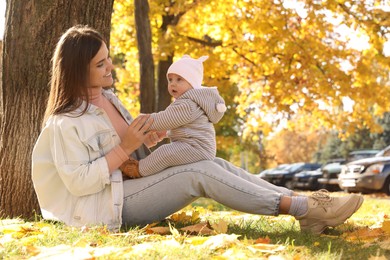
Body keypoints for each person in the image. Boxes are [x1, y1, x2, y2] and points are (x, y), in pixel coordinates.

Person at [32, 25, 364, 235]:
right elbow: (78, 182)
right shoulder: (66, 121)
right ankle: (305, 211)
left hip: (131, 184)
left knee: (214, 164)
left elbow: (132, 145)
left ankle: (304, 202)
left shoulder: (111, 99)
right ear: (78, 70)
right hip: (107, 204)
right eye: (101, 64)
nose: (110, 67)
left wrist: (149, 138)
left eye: (108, 59)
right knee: (198, 173)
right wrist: (126, 146)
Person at [122, 55, 227, 177]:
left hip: (196, 147)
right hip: (195, 147)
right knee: (168, 152)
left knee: (165, 152)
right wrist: (165, 132)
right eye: (170, 80)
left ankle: (138, 170)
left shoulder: (188, 104)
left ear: (192, 83)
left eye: (179, 79)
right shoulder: (191, 102)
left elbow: (165, 120)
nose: (173, 84)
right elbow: (180, 126)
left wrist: (143, 121)